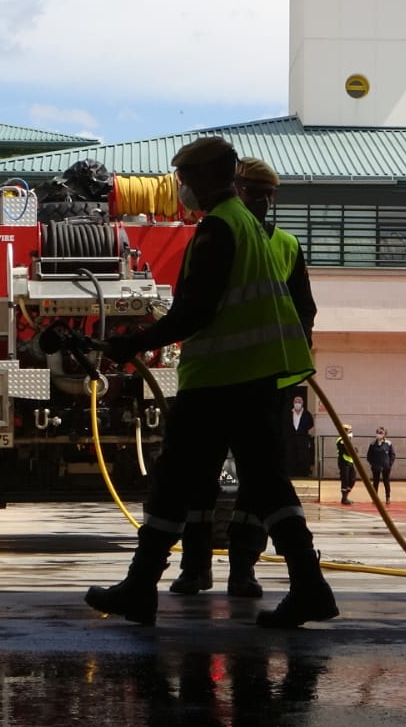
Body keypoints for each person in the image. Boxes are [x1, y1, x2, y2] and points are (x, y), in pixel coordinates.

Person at [87, 135, 337, 628]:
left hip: (220, 382)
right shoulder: (246, 225)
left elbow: (194, 312)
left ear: (206, 176)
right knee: (267, 485)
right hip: (256, 380)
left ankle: (141, 588)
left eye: (185, 178)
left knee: (175, 481)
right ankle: (309, 586)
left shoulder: (218, 229)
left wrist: (131, 343)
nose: (182, 187)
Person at [168, 156, 317, 600]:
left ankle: (243, 570)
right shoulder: (218, 232)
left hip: (262, 384)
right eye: (254, 192)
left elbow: (303, 312)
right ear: (235, 189)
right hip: (220, 378)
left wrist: (289, 376)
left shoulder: (285, 245)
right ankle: (195, 568)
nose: (263, 202)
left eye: (269, 194)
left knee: (258, 485)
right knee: (201, 480)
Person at [365, 426, 396, 503]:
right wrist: (373, 464)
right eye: (378, 433)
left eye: (381, 433)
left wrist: (389, 464)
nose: (379, 434)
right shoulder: (372, 444)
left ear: (384, 434)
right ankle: (375, 498)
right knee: (375, 482)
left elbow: (392, 455)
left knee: (386, 482)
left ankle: (388, 497)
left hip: (386, 467)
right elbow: (369, 456)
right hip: (375, 467)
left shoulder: (388, 443)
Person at [289, 394, 316, 478]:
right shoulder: (289, 413)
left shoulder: (307, 414)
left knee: (303, 456)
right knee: (291, 456)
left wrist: (302, 430)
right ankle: (292, 473)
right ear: (293, 403)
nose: (297, 403)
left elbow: (311, 424)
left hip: (303, 439)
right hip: (291, 439)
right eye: (296, 401)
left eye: (299, 401)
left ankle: (304, 474)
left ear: (302, 403)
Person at [337, 424, 358, 505]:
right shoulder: (341, 440)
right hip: (343, 462)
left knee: (352, 479)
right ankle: (344, 498)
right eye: (349, 431)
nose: (351, 432)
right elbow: (347, 451)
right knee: (345, 479)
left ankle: (345, 497)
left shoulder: (348, 440)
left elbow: (354, 450)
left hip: (350, 462)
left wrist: (354, 451)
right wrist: (354, 451)